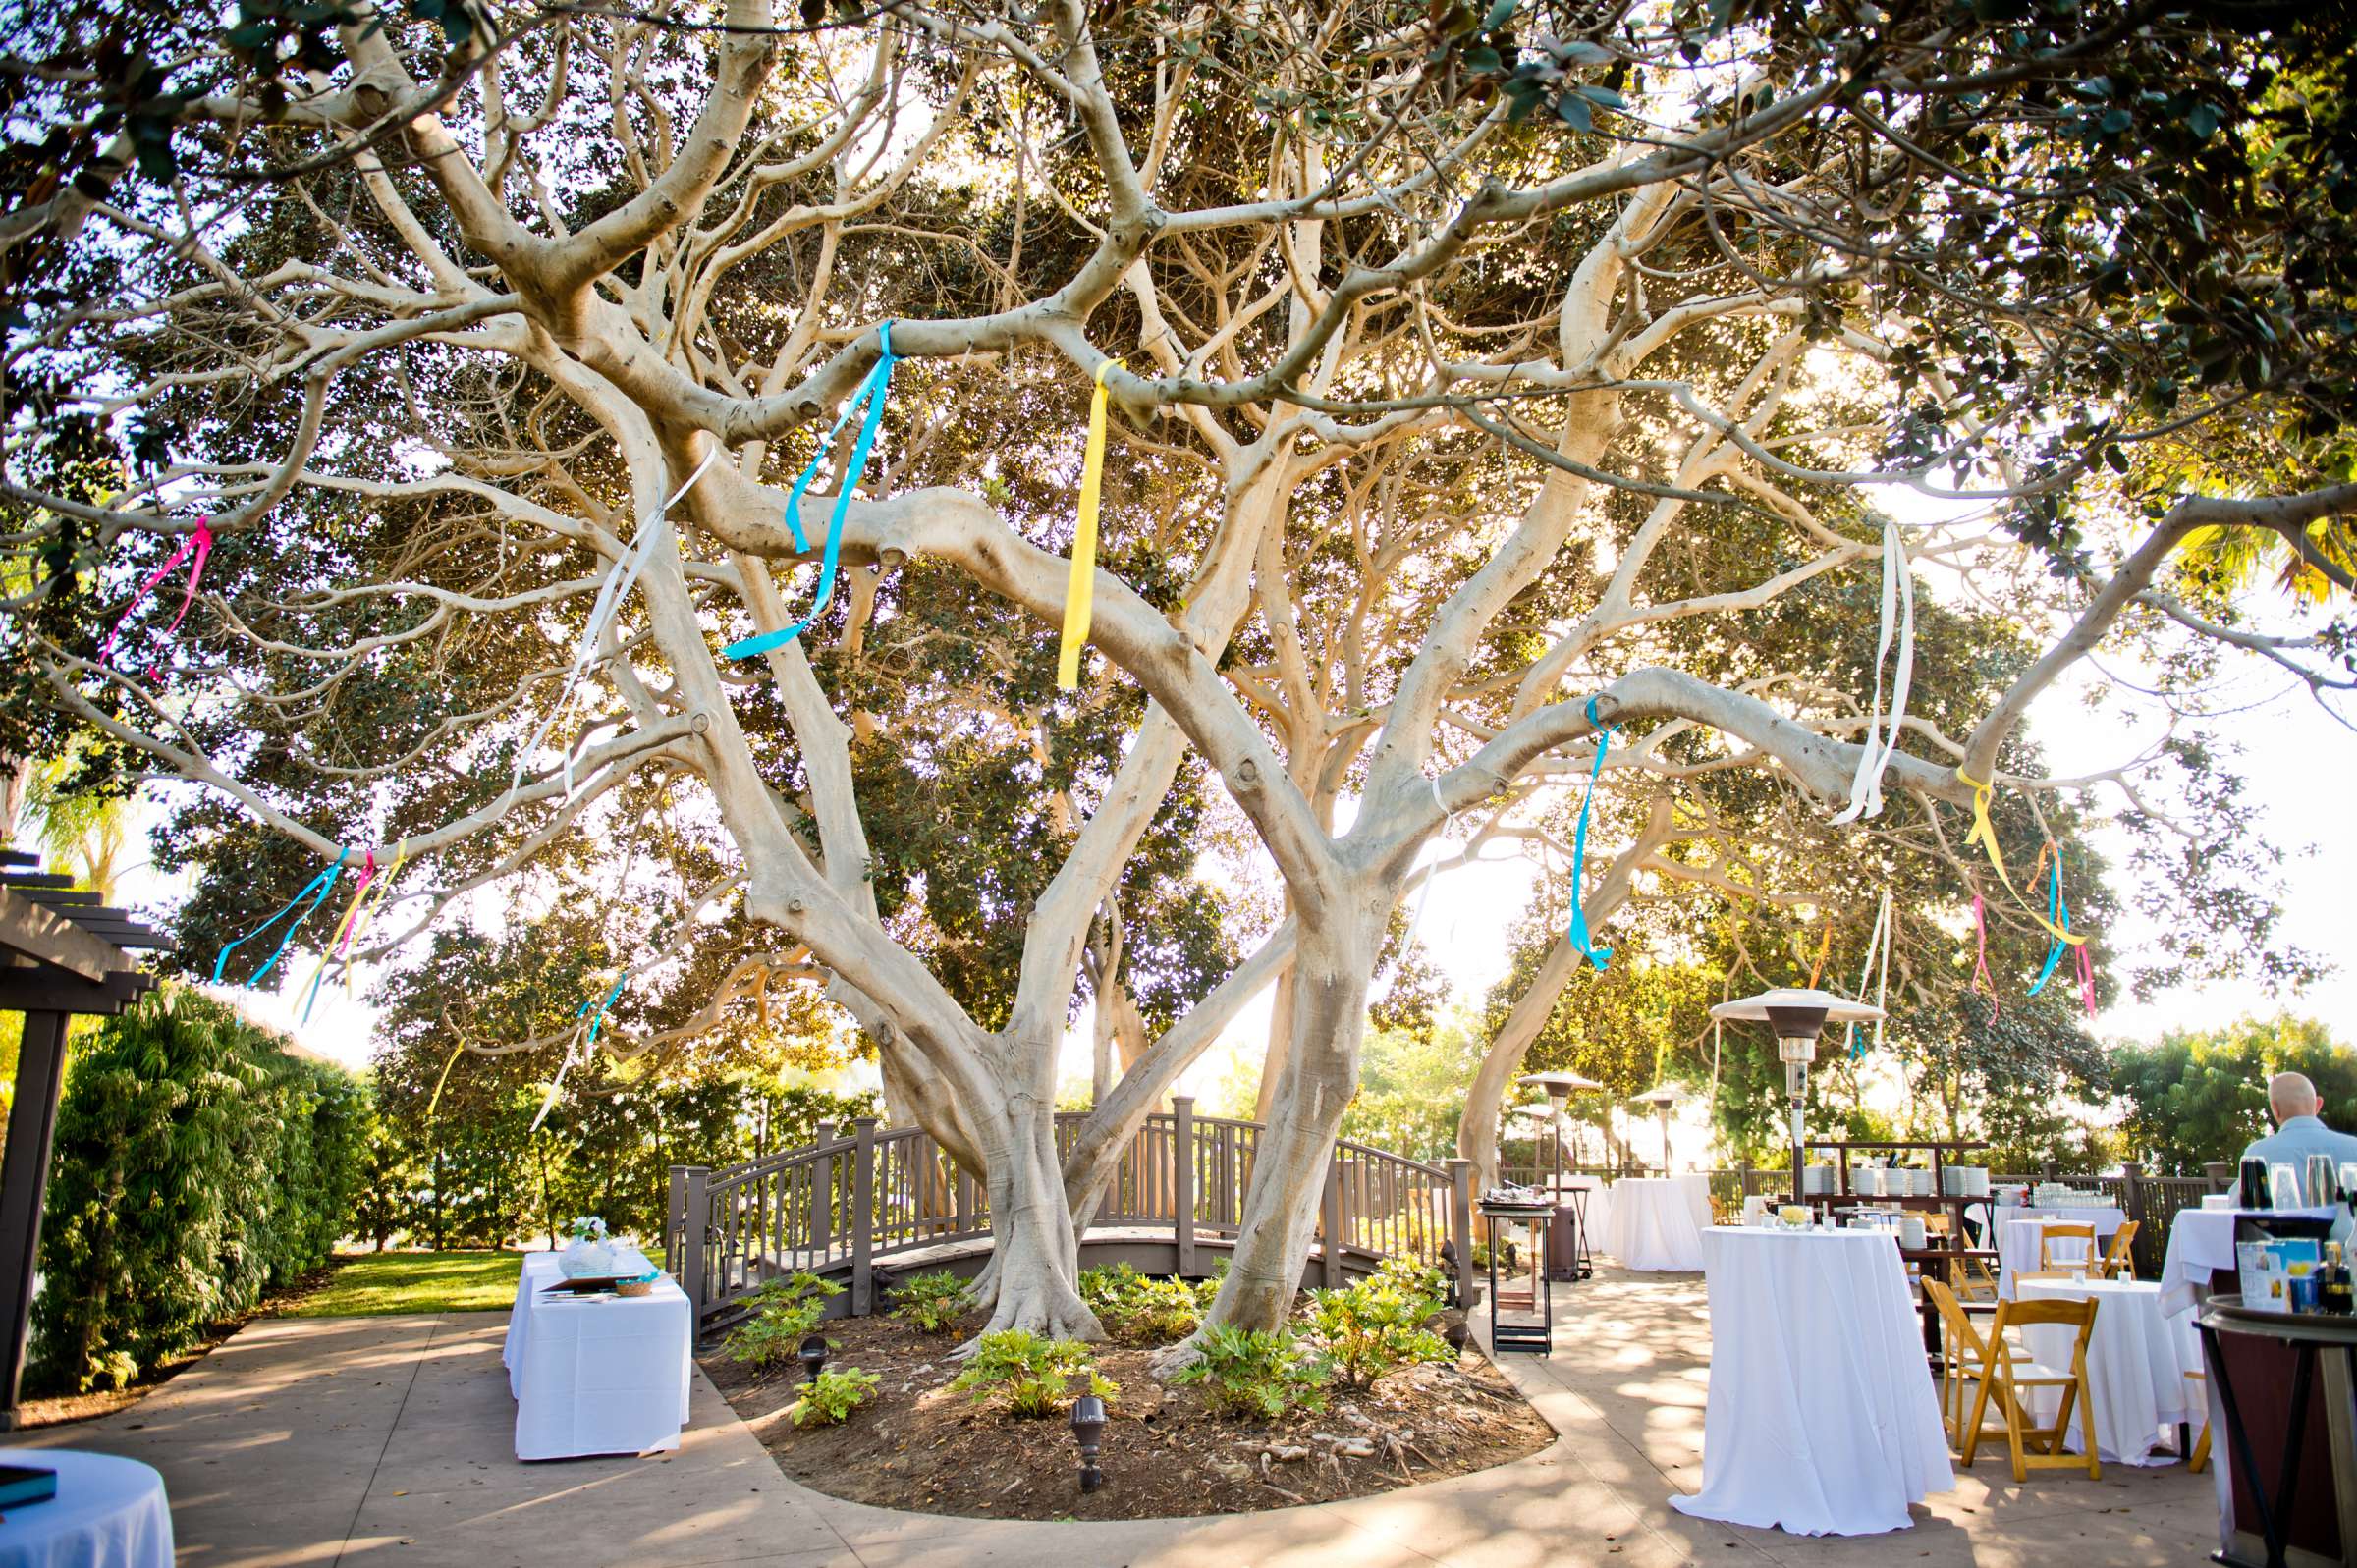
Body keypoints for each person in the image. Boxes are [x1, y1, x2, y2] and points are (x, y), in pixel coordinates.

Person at [2238, 1072, 2357, 1203]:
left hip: (2281, 1223)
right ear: (2318, 1104)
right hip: (2348, 1223)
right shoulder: (2354, 1146)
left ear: (2275, 1108)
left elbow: (2238, 1206)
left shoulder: (2256, 1154)